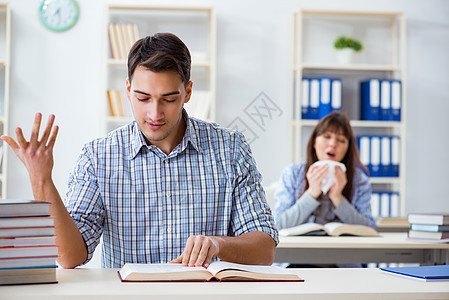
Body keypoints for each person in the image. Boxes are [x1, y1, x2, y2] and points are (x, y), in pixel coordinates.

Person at [1, 33, 278, 269]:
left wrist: (217, 244)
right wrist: (41, 178)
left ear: (188, 92)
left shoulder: (230, 149)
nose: (154, 113)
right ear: (128, 89)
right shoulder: (98, 157)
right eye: (143, 98)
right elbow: (70, 256)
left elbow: (265, 249)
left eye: (169, 99)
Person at [274, 111, 376, 231]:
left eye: (341, 140)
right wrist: (312, 193)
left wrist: (337, 197)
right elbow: (278, 225)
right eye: (326, 137)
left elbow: (369, 228)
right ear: (314, 142)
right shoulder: (292, 173)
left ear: (347, 148)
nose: (333, 144)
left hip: (343, 248)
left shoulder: (359, 180)